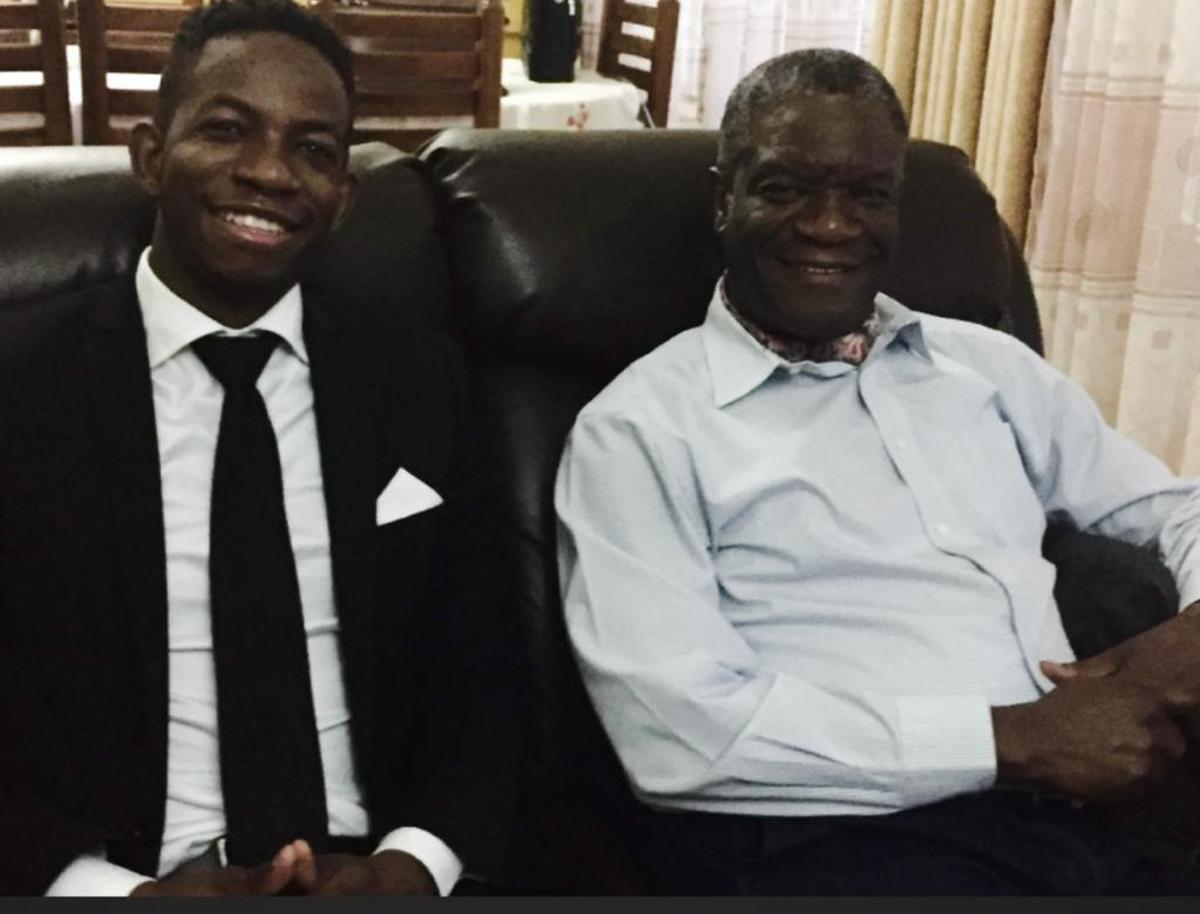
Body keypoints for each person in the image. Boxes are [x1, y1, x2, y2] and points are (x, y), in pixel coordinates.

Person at [555, 48, 1200, 895]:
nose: (831, 226)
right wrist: (1015, 741)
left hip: (1094, 803)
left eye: (867, 195)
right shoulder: (639, 428)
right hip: (850, 835)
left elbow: (1171, 508)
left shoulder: (986, 368)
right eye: (787, 188)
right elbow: (679, 735)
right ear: (725, 199)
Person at [0, 0, 520, 896]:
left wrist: (417, 862)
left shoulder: (419, 382)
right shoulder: (19, 384)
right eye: (228, 130)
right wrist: (107, 892)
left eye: (314, 150)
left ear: (345, 199)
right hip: (122, 873)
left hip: (377, 867)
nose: (270, 173)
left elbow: (488, 668)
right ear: (149, 154)